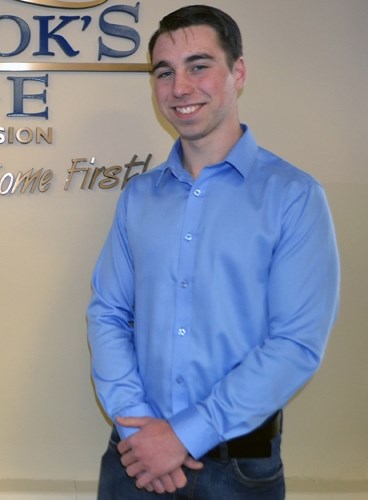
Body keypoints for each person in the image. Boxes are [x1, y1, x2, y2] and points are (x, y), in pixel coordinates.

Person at [86, 5, 339, 498]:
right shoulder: (139, 197)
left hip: (238, 473)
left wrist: (183, 435)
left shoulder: (293, 196)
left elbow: (295, 344)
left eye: (198, 66)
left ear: (237, 72)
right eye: (165, 72)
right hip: (133, 462)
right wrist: (142, 436)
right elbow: (108, 313)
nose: (179, 87)